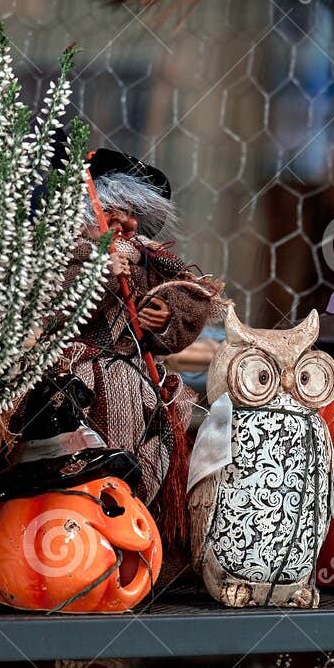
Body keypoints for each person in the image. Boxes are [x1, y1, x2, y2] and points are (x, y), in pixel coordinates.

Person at [64, 149, 224, 538]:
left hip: (138, 380)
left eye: (134, 213)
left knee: (155, 441)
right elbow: (54, 305)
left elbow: (191, 298)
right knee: (83, 450)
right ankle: (80, 526)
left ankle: (139, 522)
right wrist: (97, 277)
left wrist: (166, 317)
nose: (125, 221)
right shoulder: (68, 255)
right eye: (116, 209)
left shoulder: (150, 261)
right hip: (80, 375)